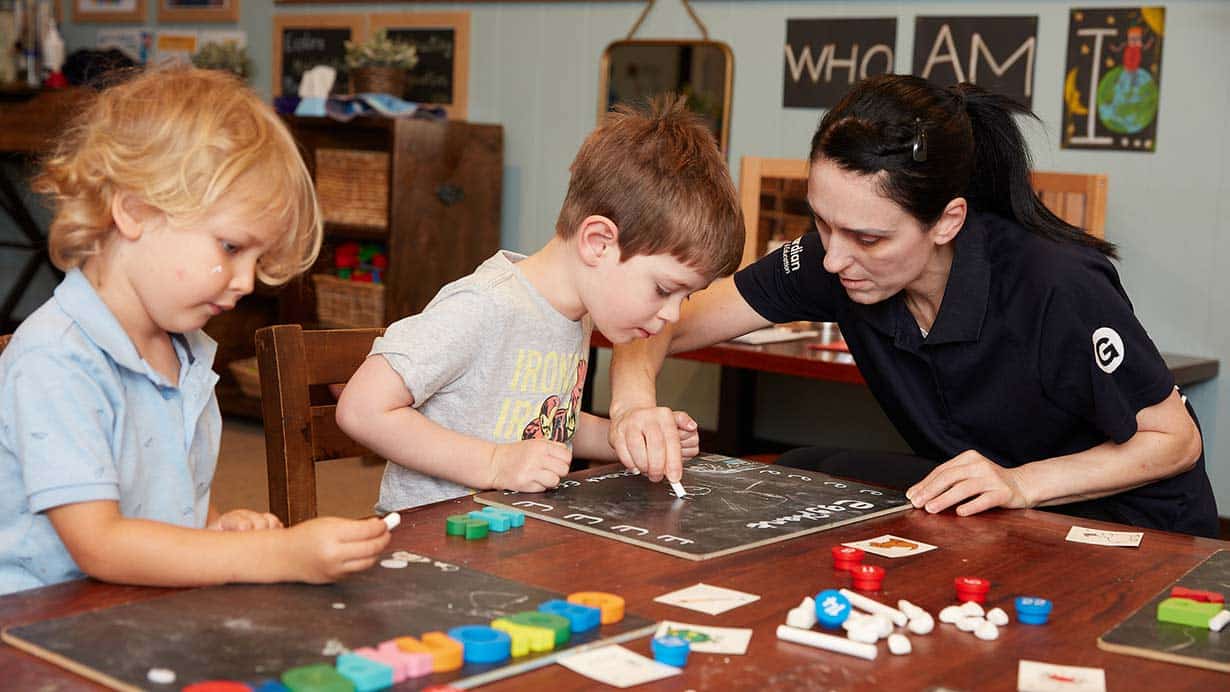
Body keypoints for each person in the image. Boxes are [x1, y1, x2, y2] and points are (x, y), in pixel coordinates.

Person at [608, 75, 1217, 537]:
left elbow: (1174, 440)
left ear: (947, 221)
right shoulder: (835, 258)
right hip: (987, 508)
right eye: (822, 222)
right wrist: (634, 405)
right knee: (801, 467)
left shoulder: (1056, 284)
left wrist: (1020, 483)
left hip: (1125, 524)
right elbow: (664, 318)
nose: (833, 259)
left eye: (869, 238)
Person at [0, 67, 391, 596]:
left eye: (257, 259)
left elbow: (171, 505)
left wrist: (216, 528)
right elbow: (100, 543)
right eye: (231, 248)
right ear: (134, 211)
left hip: (127, 613)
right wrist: (269, 553)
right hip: (36, 632)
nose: (247, 281)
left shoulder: (183, 354)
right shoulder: (55, 359)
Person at [336, 96, 745, 513]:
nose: (673, 315)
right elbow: (362, 408)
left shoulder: (574, 315)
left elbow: (544, 422)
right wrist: (494, 464)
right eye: (663, 289)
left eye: (686, 297)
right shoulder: (484, 304)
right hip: (429, 544)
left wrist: (623, 436)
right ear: (598, 243)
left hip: (513, 541)